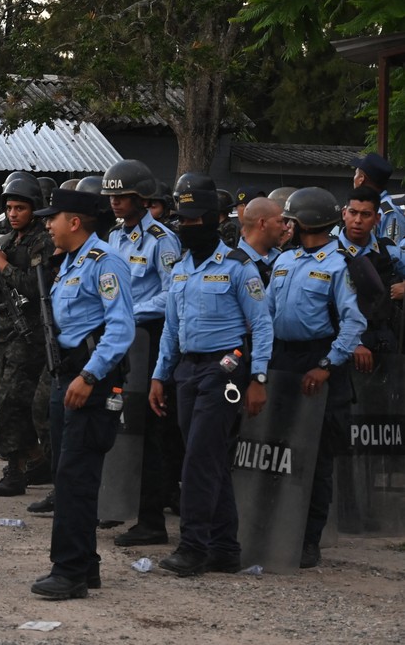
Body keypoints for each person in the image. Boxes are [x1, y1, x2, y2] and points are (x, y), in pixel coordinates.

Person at [148, 188, 273, 577]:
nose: (187, 227)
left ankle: (193, 546)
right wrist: (158, 375)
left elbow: (263, 325)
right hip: (186, 370)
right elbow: (172, 328)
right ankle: (224, 549)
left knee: (200, 458)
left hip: (225, 369)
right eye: (182, 221)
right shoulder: (182, 268)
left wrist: (258, 376)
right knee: (210, 460)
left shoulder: (238, 267)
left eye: (195, 221)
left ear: (217, 221)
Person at [29, 188, 134, 600]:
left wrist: (90, 377)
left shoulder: (105, 264)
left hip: (90, 381)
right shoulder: (71, 263)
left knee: (76, 476)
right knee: (68, 473)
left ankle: (69, 572)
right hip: (67, 377)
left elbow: (121, 328)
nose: (47, 223)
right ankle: (85, 564)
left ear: (74, 222)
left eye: (53, 217)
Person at [266, 187, 368, 568]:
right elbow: (267, 315)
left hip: (319, 360)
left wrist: (326, 365)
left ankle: (308, 539)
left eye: (291, 220)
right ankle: (272, 527)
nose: (287, 226)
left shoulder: (342, 265)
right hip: (282, 359)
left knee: (316, 457)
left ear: (304, 222)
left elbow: (354, 322)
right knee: (274, 448)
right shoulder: (283, 262)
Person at [101, 159, 182, 548]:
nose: (115, 202)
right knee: (119, 425)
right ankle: (115, 503)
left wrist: (129, 312)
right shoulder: (114, 237)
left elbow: (172, 295)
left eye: (123, 196)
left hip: (149, 338)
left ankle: (152, 520)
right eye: (112, 196)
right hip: (120, 340)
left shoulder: (162, 240)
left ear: (141, 198)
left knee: (150, 432)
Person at [0, 173, 54, 498]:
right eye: (9, 207)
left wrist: (3, 265)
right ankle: (36, 457)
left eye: (20, 207)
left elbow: (38, 288)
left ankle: (15, 470)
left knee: (13, 401)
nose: (14, 213)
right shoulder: (8, 242)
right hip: (5, 331)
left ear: (34, 208)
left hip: (29, 332)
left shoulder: (42, 242)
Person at [339, 186, 405, 359]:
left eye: (365, 215)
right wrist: (355, 343)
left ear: (377, 219)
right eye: (353, 213)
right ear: (344, 213)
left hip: (384, 339)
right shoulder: (330, 255)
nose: (358, 220)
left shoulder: (389, 250)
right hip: (342, 343)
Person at [351, 151, 405, 243]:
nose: (353, 178)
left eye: (356, 174)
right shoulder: (367, 206)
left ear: (361, 179)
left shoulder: (388, 213)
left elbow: (392, 252)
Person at [236, 196, 287, 285]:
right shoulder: (233, 266)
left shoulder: (285, 258)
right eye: (280, 222)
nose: (285, 228)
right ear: (262, 223)